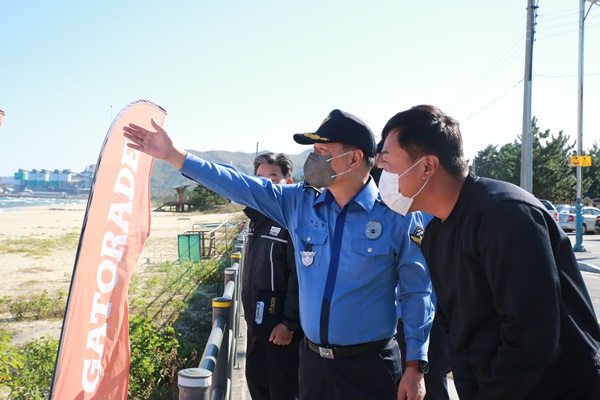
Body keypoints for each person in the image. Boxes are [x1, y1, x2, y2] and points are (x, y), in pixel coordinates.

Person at [124, 109, 434, 400]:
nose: (314, 157)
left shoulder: (397, 215)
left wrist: (415, 366)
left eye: (322, 150)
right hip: (312, 364)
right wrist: (176, 156)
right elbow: (240, 185)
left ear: (353, 158)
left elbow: (416, 293)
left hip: (370, 367)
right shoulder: (299, 203)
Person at [377, 104, 600, 399]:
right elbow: (456, 332)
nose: (381, 172)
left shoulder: (505, 214)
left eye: (387, 161)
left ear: (427, 166)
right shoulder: (435, 234)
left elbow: (532, 336)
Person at [373, 147, 452, 400]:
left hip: (427, 317)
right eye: (380, 162)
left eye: (387, 161)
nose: (383, 168)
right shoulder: (374, 205)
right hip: (388, 322)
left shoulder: (429, 209)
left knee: (429, 386)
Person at [242, 152, 302, 400]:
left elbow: (300, 276)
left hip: (280, 327)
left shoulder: (292, 221)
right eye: (259, 178)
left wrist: (289, 323)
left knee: (283, 390)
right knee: (257, 383)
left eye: (273, 178)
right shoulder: (255, 219)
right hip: (255, 322)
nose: (265, 185)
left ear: (288, 182)